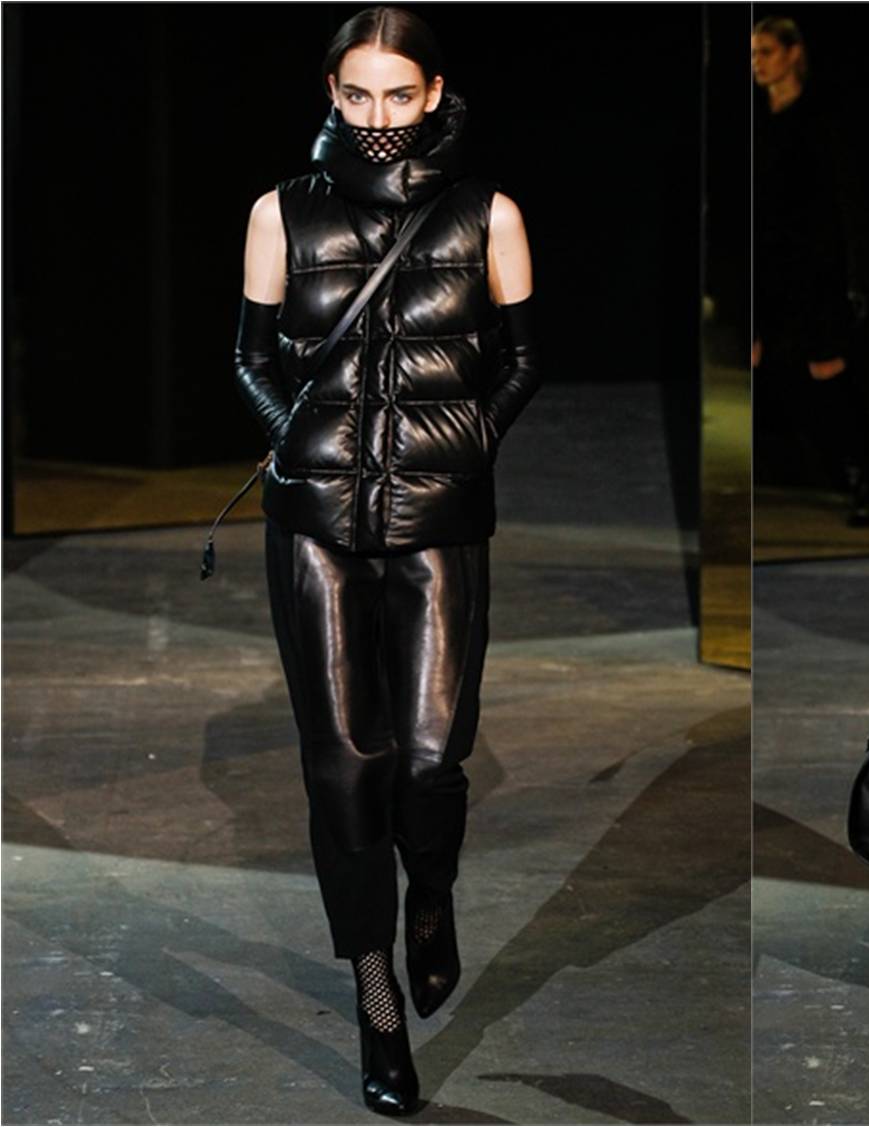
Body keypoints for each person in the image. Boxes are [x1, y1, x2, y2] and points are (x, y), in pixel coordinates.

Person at [232, 6, 539, 1115]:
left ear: (435, 92)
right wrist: (299, 447)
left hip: (440, 525)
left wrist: (458, 450)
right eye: (356, 94)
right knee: (344, 766)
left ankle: (432, 893)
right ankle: (377, 1003)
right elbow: (250, 356)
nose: (376, 116)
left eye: (398, 94)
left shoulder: (487, 212)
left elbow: (523, 357)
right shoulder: (280, 211)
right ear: (330, 92)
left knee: (430, 761)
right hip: (313, 527)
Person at [751, 15, 869, 527]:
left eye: (766, 51)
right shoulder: (756, 123)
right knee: (762, 371)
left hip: (815, 268)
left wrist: (851, 275)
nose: (757, 63)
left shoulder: (817, 118)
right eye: (752, 53)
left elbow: (841, 202)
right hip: (766, 269)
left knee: (826, 371)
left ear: (792, 53)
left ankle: (861, 481)